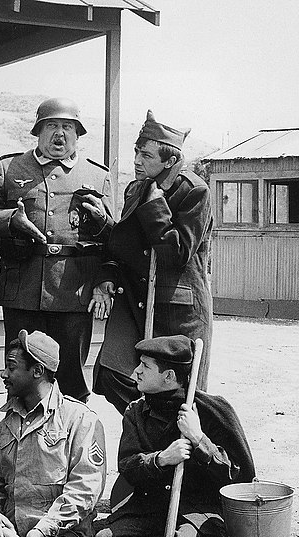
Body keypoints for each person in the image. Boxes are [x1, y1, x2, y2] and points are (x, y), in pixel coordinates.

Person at [94, 335, 255, 537]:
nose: (135, 373)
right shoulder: (136, 412)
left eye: (144, 366)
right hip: (151, 506)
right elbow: (128, 466)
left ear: (168, 376)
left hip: (200, 509)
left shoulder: (211, 411)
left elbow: (240, 477)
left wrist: (199, 439)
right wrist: (160, 460)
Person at [0, 97, 114, 403]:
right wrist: (10, 220)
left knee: (71, 379)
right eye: (52, 126)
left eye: (67, 127)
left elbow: (110, 241)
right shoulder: (10, 168)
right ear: (38, 131)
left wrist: (104, 281)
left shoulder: (97, 176)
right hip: (23, 290)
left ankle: (69, 444)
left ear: (78, 134)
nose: (59, 134)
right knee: (20, 375)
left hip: (73, 292)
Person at [92, 110, 213, 415]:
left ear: (169, 161)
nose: (136, 160)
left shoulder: (194, 191)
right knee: (112, 373)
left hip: (178, 310)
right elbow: (122, 246)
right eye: (136, 151)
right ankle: (147, 431)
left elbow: (177, 254)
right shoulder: (136, 188)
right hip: (137, 301)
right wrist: (107, 273)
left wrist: (155, 206)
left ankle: (172, 450)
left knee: (181, 394)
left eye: (145, 155)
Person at [0, 329, 106, 537]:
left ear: (37, 371)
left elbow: (84, 491)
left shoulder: (79, 420)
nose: (3, 375)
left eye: (11, 368)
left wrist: (40, 532)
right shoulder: (6, 423)